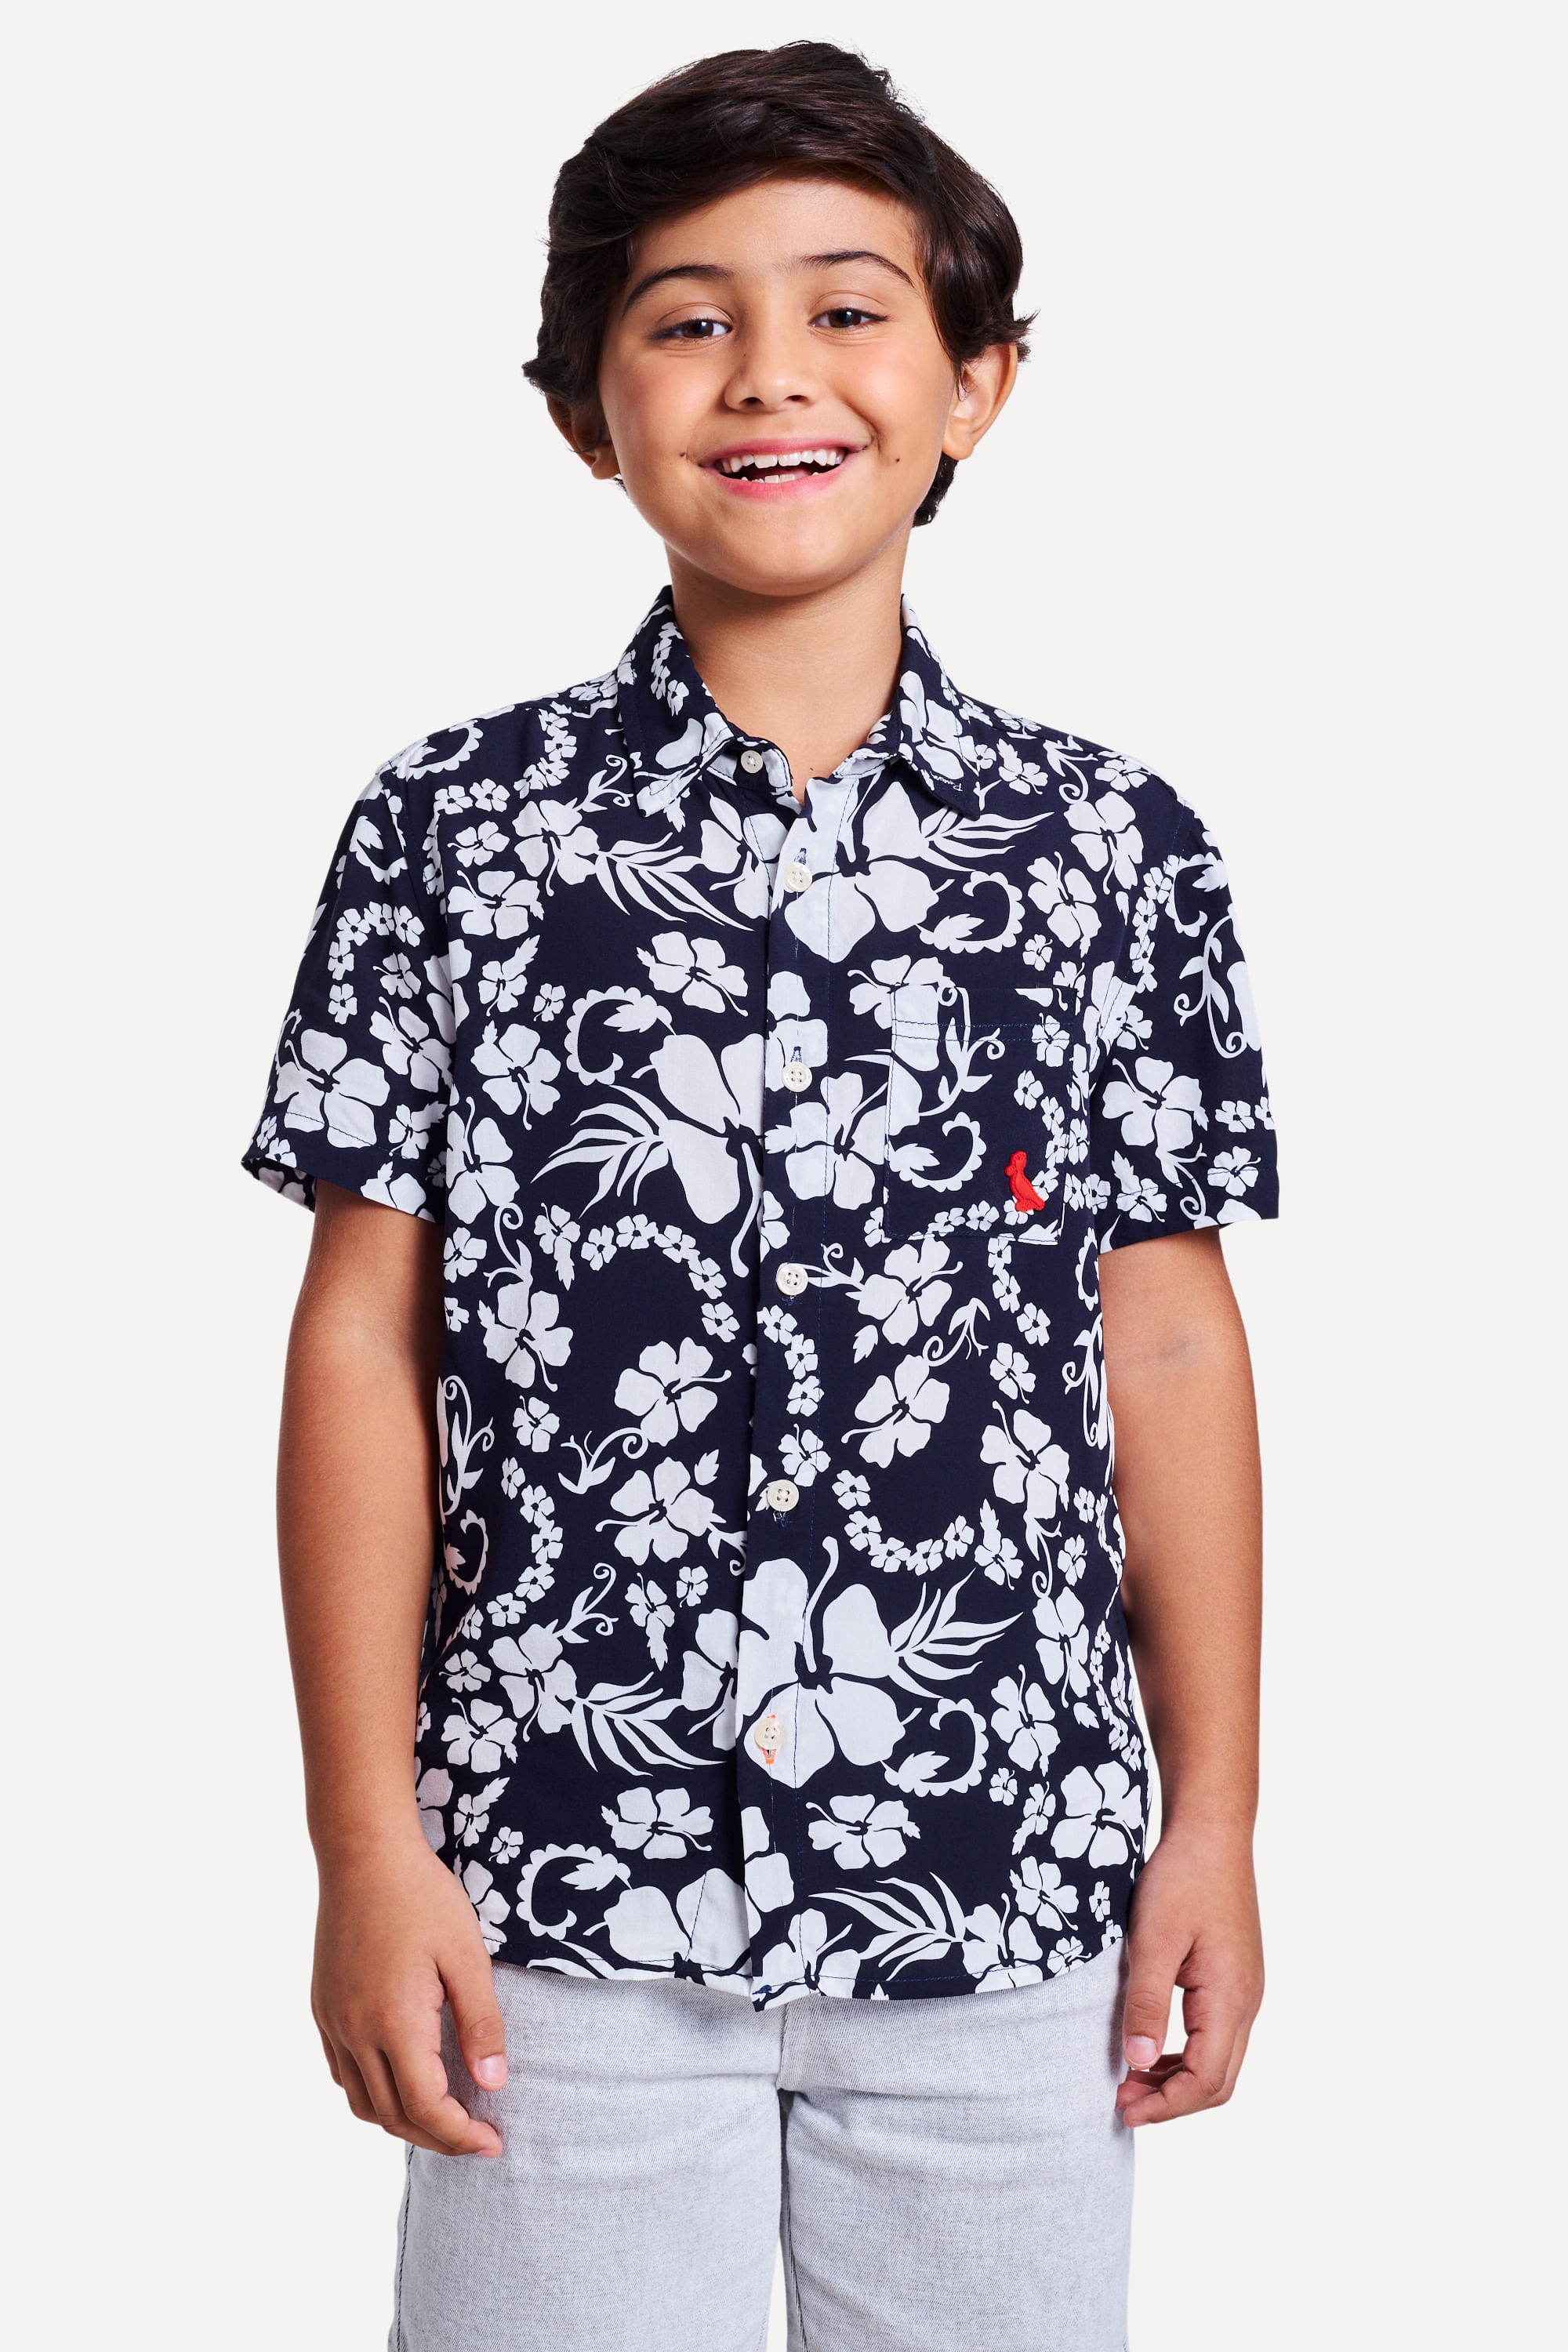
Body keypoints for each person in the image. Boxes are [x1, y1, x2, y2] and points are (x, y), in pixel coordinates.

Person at [245, 41, 1276, 2352]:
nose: (771, 374)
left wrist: (1211, 1822)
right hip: (551, 1895)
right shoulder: (457, 832)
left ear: (975, 385)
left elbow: (1168, 1335)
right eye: (689, 319)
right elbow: (362, 1341)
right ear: (584, 413)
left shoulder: (1113, 851)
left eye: (849, 310)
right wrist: (365, 1847)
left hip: (1006, 1886)